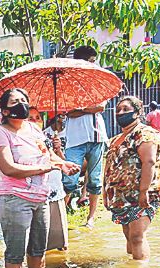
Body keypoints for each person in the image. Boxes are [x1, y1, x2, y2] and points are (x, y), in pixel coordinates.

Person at [0, 88, 79, 268]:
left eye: (24, 100)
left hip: (41, 198)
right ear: (5, 111)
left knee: (38, 252)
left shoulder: (34, 129)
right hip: (15, 199)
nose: (21, 104)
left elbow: (48, 154)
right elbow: (9, 168)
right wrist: (44, 168)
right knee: (15, 256)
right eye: (15, 102)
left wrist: (62, 164)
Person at [103, 96, 160, 261]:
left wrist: (143, 191)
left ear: (137, 112)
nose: (120, 113)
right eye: (118, 110)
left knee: (137, 236)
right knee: (129, 235)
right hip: (120, 195)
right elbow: (108, 166)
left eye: (125, 109)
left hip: (143, 193)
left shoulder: (145, 134)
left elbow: (149, 161)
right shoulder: (115, 140)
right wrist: (105, 192)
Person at [63, 45, 108, 228]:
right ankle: (60, 217)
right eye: (91, 60)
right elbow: (68, 112)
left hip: (97, 137)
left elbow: (101, 107)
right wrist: (87, 108)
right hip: (75, 139)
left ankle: (90, 218)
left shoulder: (98, 81)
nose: (93, 64)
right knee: (69, 180)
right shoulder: (68, 84)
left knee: (95, 180)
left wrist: (80, 108)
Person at [31, 108, 69, 251]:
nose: (34, 121)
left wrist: (58, 150)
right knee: (36, 243)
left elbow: (63, 163)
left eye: (38, 117)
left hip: (54, 187)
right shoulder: (20, 140)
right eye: (30, 118)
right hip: (35, 192)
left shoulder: (49, 137)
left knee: (59, 242)